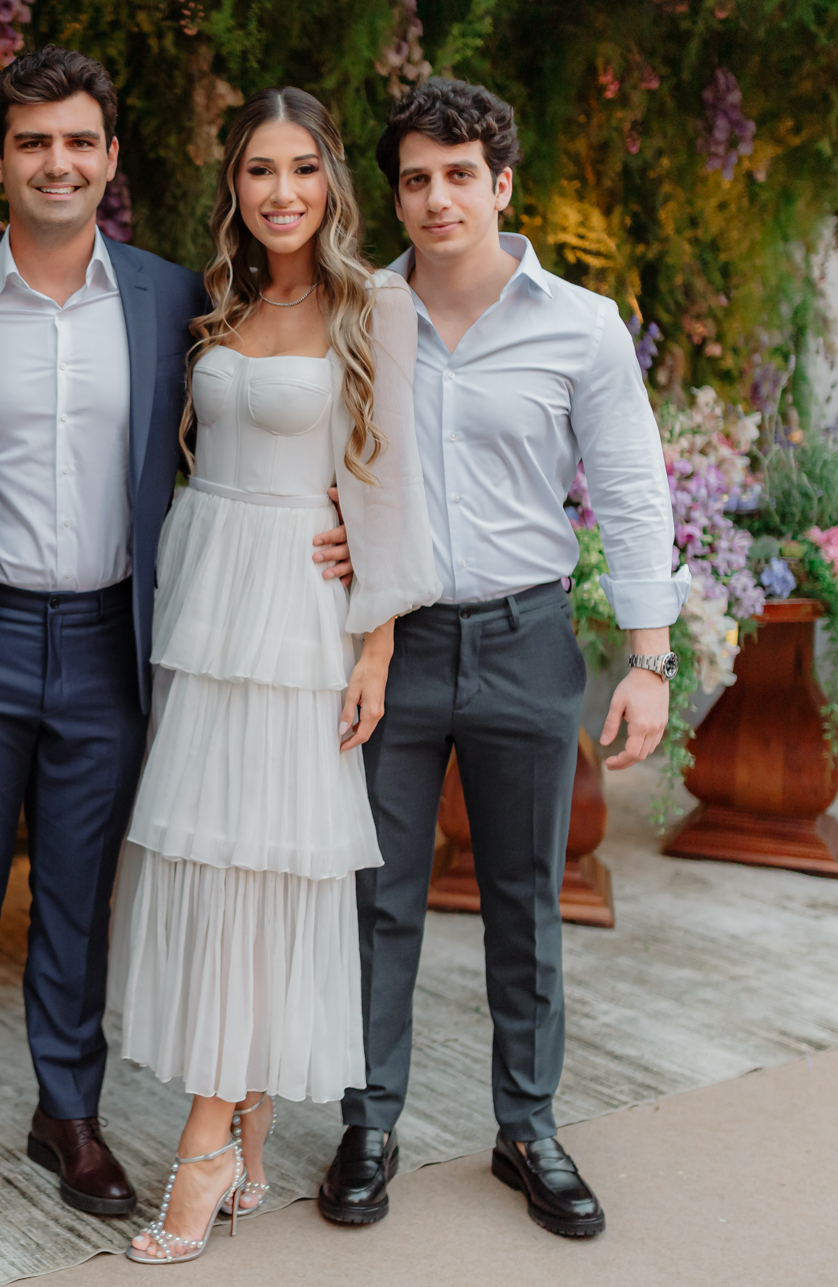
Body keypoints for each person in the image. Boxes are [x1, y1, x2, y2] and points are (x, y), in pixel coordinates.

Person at [0, 47, 353, 1241]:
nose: (58, 162)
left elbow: (281, 412)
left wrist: (356, 530)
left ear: (109, 158)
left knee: (80, 898)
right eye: (33, 142)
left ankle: (67, 1114)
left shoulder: (170, 297)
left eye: (78, 141)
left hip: (111, 638)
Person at [317, 78, 685, 1240]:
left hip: (526, 639)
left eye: (458, 175)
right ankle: (367, 1120)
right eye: (415, 179)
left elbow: (629, 489)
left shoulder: (580, 325)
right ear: (395, 196)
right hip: (392, 644)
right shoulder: (355, 313)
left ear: (501, 184)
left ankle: (525, 1126)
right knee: (378, 897)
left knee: (526, 897)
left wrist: (648, 659)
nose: (437, 198)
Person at [109, 86, 439, 1266]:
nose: (280, 190)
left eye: (300, 167)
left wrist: (375, 641)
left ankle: (203, 1144)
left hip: (300, 612)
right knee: (207, 857)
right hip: (204, 599)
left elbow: (389, 476)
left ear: (330, 180)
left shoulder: (372, 303)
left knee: (262, 868)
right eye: (258, 168)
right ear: (234, 184)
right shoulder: (215, 299)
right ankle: (245, 1135)